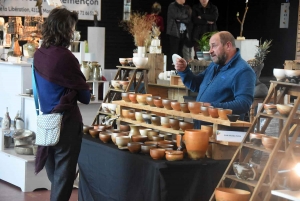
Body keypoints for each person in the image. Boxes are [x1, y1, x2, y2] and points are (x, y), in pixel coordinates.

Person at [33, 7, 91, 201]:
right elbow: (85, 97)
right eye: (71, 28)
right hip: (67, 124)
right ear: (64, 30)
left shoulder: (39, 55)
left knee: (55, 175)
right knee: (63, 177)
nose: (72, 33)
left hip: (46, 122)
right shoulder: (67, 57)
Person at [175, 31, 256, 128]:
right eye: (210, 47)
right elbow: (196, 85)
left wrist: (212, 107)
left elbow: (243, 104)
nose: (210, 51)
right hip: (203, 129)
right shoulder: (215, 65)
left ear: (228, 46)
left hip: (222, 133)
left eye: (214, 46)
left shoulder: (243, 71)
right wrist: (184, 71)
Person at [166, 0, 190, 70]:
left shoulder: (184, 7)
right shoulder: (172, 5)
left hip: (183, 33)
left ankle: (179, 69)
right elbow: (176, 15)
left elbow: (188, 18)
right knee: (174, 52)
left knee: (180, 52)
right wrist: (183, 17)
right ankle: (171, 69)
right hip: (174, 33)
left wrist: (181, 19)